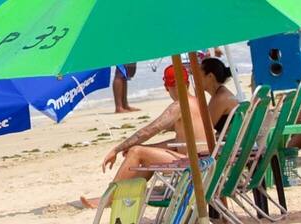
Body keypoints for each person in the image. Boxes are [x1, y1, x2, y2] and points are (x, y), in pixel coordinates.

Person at [87, 57, 239, 207]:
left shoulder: (179, 106)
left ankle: (108, 198)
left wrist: (117, 149)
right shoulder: (199, 102)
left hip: (195, 164)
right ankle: (123, 192)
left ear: (167, 87)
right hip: (207, 160)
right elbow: (180, 141)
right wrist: (150, 147)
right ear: (187, 83)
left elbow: (148, 131)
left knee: (136, 151)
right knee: (143, 152)